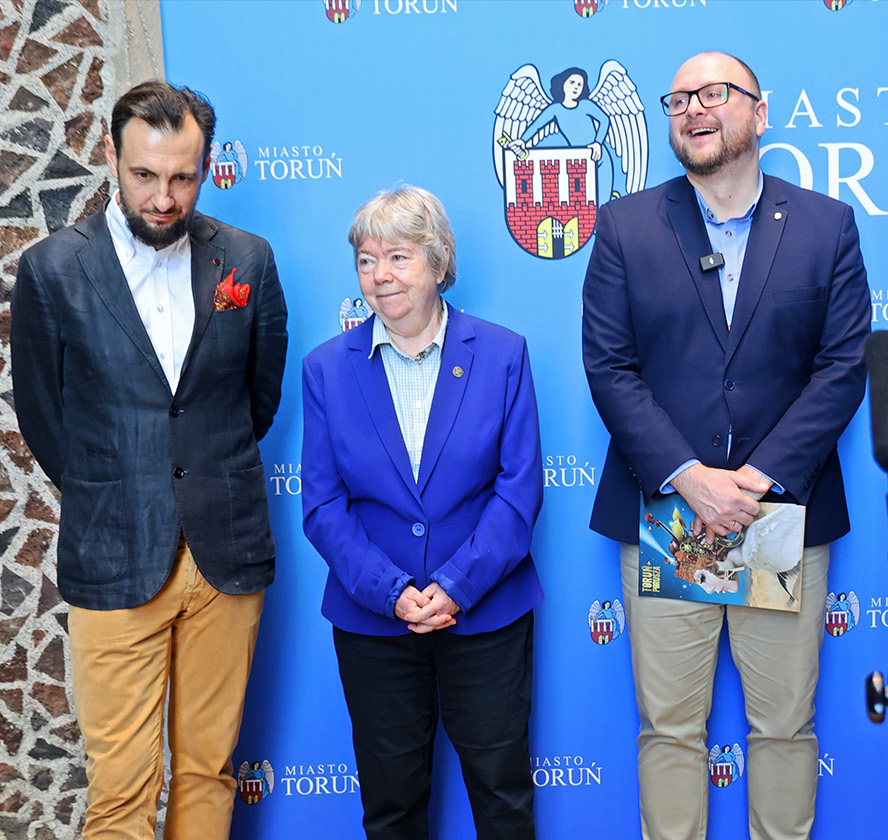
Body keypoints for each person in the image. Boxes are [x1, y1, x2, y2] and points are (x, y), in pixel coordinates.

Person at [582, 51, 869, 840]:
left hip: (780, 513)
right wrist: (691, 478)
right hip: (670, 513)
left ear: (759, 111)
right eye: (679, 99)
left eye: (715, 93)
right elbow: (609, 365)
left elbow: (843, 368)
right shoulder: (626, 224)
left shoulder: (824, 225)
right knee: (671, 728)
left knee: (782, 726)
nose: (694, 109)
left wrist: (758, 480)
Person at [10, 80, 288, 838]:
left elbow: (256, 400)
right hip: (114, 554)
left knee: (208, 773)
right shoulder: (52, 270)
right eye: (144, 175)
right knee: (124, 790)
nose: (163, 197)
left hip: (225, 558)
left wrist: (200, 474)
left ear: (206, 167)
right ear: (111, 157)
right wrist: (119, 488)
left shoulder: (248, 260)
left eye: (182, 177)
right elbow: (42, 414)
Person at [300, 185, 544, 839]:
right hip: (375, 622)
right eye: (367, 260)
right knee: (392, 804)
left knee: (502, 796)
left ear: (438, 263)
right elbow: (322, 504)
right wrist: (391, 592)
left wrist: (457, 586)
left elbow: (518, 492)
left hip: (487, 612)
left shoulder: (502, 355)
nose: (380, 277)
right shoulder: (325, 369)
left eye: (399, 257)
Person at [515, 67, 616, 199]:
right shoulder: (555, 109)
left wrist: (598, 143)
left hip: (599, 157)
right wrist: (522, 140)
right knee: (585, 199)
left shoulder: (586, 105)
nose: (576, 87)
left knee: (602, 199)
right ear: (563, 84)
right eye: (572, 82)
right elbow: (536, 126)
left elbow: (604, 120)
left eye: (580, 84)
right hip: (579, 159)